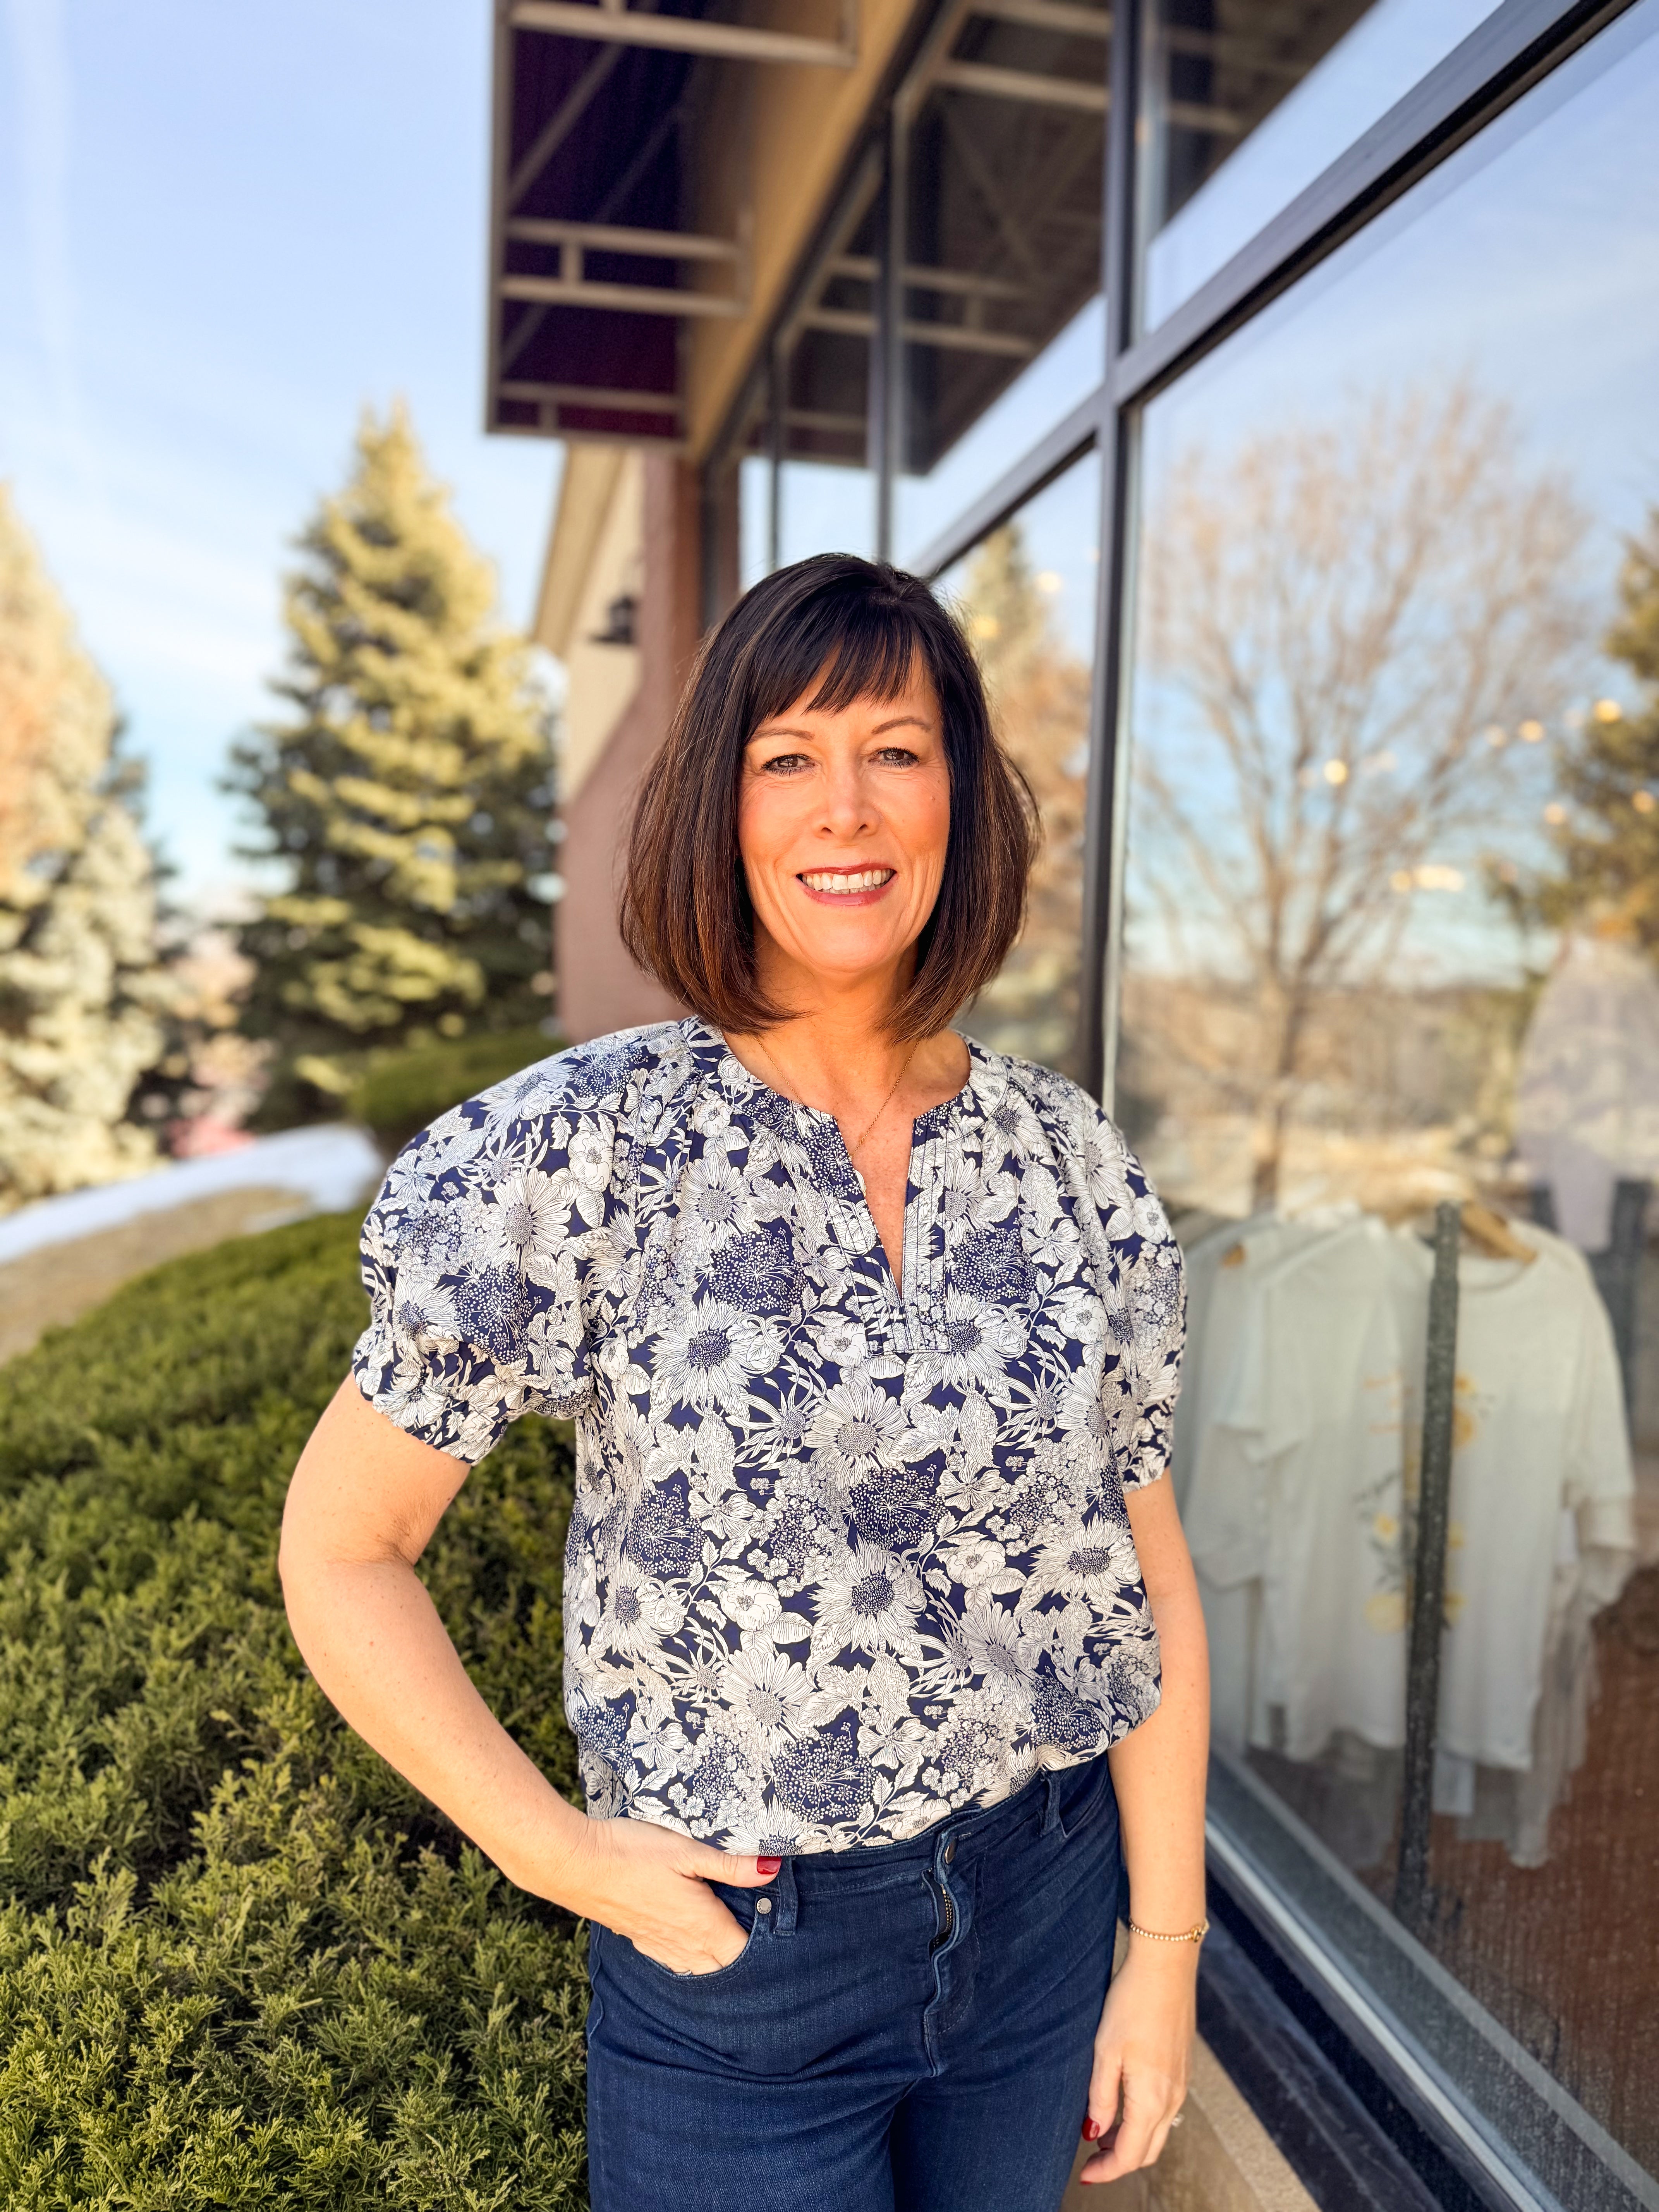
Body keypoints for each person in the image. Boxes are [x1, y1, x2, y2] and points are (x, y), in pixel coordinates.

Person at [280, 553, 1209, 2212]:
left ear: (960, 799)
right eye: (788, 757)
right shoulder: (581, 1148)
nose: (844, 806)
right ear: (722, 805)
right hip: (742, 1965)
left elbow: (1142, 1570)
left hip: (1046, 1912)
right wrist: (556, 1853)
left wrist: (1163, 1947)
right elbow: (344, 1547)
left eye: (895, 750)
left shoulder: (1070, 1158)